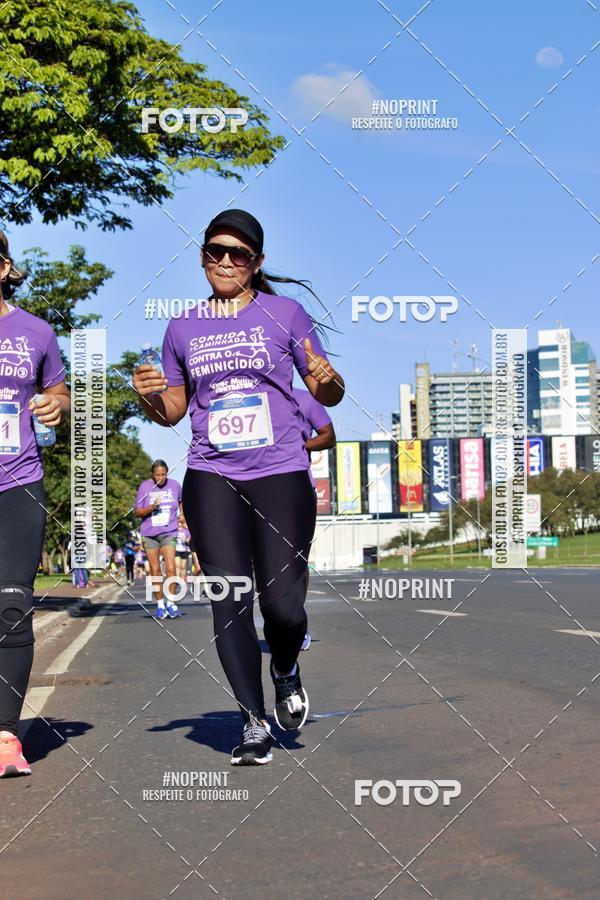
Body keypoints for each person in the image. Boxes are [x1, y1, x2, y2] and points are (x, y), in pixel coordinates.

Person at [133, 208, 344, 765]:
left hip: (280, 473)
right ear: (202, 257)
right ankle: (253, 723)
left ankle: (285, 666)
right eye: (214, 252)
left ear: (256, 262)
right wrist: (147, 396)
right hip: (212, 476)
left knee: (283, 607)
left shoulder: (285, 315)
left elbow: (327, 395)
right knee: (228, 598)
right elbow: (173, 411)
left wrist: (329, 381)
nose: (225, 262)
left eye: (238, 254)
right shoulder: (181, 327)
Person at [0, 230, 70, 778]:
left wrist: (54, 404)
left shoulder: (36, 333)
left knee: (10, 603)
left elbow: (60, 391)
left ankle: (6, 736)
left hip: (16, 482)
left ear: (4, 268)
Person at [292, 387, 336, 651]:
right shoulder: (248, 396)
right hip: (257, 492)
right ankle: (282, 618)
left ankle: (298, 620)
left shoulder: (303, 398)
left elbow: (328, 436)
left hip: (298, 489)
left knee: (297, 559)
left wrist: (300, 445)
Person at [133, 461, 183, 620]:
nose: (161, 478)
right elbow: (137, 512)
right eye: (158, 475)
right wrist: (151, 508)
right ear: (152, 475)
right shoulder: (145, 487)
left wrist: (182, 515)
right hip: (150, 533)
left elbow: (182, 502)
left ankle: (172, 603)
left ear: (167, 473)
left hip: (170, 532)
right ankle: (160, 605)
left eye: (163, 474)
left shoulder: (175, 485)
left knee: (170, 567)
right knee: (155, 570)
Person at [175, 515, 191, 585]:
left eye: (180, 523)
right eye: (178, 523)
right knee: (177, 566)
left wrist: (186, 539)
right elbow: (172, 542)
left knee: (183, 566)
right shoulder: (174, 531)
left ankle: (182, 579)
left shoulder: (186, 531)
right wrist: (174, 541)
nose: (179, 524)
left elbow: (188, 541)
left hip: (184, 550)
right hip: (177, 549)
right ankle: (177, 580)